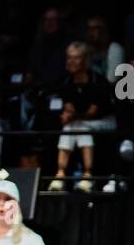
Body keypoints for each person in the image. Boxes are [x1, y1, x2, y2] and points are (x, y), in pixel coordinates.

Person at [49, 42, 115, 193]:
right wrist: (68, 115)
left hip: (105, 121)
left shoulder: (97, 81)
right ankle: (60, 175)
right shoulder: (66, 82)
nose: (71, 62)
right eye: (69, 58)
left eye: (76, 58)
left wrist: (73, 116)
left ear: (85, 60)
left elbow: (93, 112)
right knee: (71, 127)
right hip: (79, 122)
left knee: (80, 126)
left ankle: (87, 174)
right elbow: (67, 106)